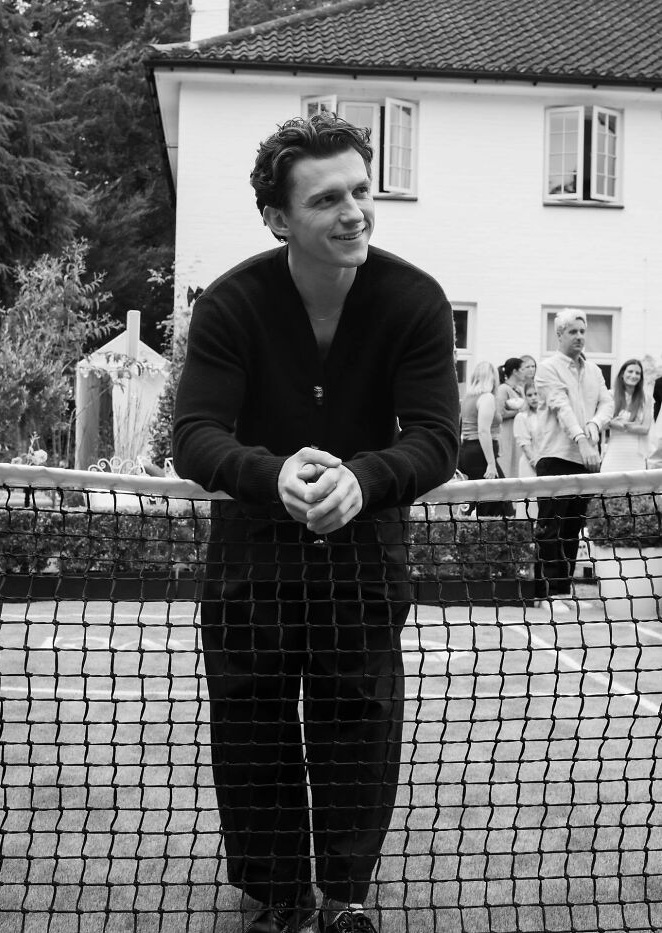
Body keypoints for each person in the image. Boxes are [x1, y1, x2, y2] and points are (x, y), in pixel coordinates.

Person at [173, 113, 460, 933]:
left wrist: (363, 481)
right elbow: (195, 433)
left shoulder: (415, 300)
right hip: (252, 557)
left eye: (362, 191)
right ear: (277, 217)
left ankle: (343, 895)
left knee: (358, 724)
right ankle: (278, 896)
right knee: (252, 722)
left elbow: (436, 437)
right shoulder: (231, 304)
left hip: (365, 556)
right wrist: (274, 476)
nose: (354, 212)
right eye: (327, 198)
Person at [533, 309, 614, 614]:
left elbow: (607, 403)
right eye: (573, 332)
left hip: (587, 459)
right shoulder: (547, 368)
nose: (580, 336)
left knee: (572, 527)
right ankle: (546, 593)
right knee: (550, 527)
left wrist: (593, 427)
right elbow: (560, 406)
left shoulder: (594, 371)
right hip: (555, 457)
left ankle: (563, 588)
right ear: (560, 335)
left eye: (583, 331)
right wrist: (582, 438)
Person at [458, 361, 513, 517]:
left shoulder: (468, 397)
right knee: (498, 499)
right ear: (493, 378)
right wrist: (490, 463)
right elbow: (483, 431)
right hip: (480, 453)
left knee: (476, 499)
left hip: (468, 451)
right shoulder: (487, 397)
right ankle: (492, 536)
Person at [600, 359, 653, 472]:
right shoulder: (609, 395)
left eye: (637, 373)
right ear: (622, 374)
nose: (634, 375)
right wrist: (634, 425)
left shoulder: (646, 399)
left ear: (641, 378)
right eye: (630, 371)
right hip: (614, 454)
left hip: (636, 457)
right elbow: (602, 423)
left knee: (637, 489)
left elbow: (645, 429)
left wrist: (620, 425)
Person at [495, 357, 526, 476]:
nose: (525, 372)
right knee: (507, 465)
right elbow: (500, 412)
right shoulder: (503, 389)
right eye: (522, 369)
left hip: (517, 434)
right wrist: (518, 411)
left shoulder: (520, 389)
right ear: (515, 371)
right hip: (506, 434)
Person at [513, 381, 541, 478]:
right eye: (529, 395)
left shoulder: (547, 416)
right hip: (531, 465)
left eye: (536, 394)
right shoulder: (522, 417)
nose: (533, 398)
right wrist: (536, 464)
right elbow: (525, 445)